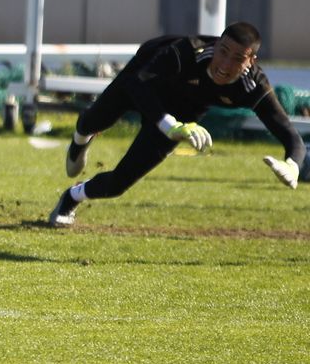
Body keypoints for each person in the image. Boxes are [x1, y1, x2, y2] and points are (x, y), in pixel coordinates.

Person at [49, 22, 305, 227]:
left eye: (238, 58)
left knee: (119, 183)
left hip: (182, 114)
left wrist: (293, 165)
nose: (225, 65)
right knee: (93, 121)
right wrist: (167, 124)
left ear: (251, 61)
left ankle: (71, 197)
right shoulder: (187, 52)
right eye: (223, 51)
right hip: (143, 80)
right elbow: (139, 82)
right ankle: (81, 140)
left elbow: (290, 136)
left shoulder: (253, 86)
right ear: (216, 45)